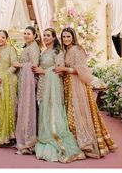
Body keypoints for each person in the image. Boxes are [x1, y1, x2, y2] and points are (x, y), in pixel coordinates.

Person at [55, 27, 118, 158]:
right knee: (72, 113)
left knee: (80, 113)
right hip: (69, 85)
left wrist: (65, 69)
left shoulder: (77, 50)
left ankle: (86, 143)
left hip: (77, 85)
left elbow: (82, 69)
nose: (66, 39)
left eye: (68, 36)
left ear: (73, 37)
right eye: (64, 37)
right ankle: (76, 142)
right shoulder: (66, 50)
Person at [32, 28, 85, 163]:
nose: (45, 37)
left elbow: (59, 72)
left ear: (54, 37)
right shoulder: (44, 52)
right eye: (44, 35)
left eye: (48, 35)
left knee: (53, 113)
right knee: (44, 110)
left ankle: (58, 143)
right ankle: (45, 136)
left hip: (54, 89)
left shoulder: (58, 52)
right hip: (44, 86)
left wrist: (43, 71)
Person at [13, 26, 40, 155]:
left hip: (29, 82)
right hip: (23, 80)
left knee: (28, 108)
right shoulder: (28, 47)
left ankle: (28, 141)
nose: (26, 35)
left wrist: (20, 65)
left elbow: (34, 64)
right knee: (24, 107)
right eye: (24, 33)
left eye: (28, 33)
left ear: (34, 35)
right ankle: (24, 137)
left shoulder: (34, 47)